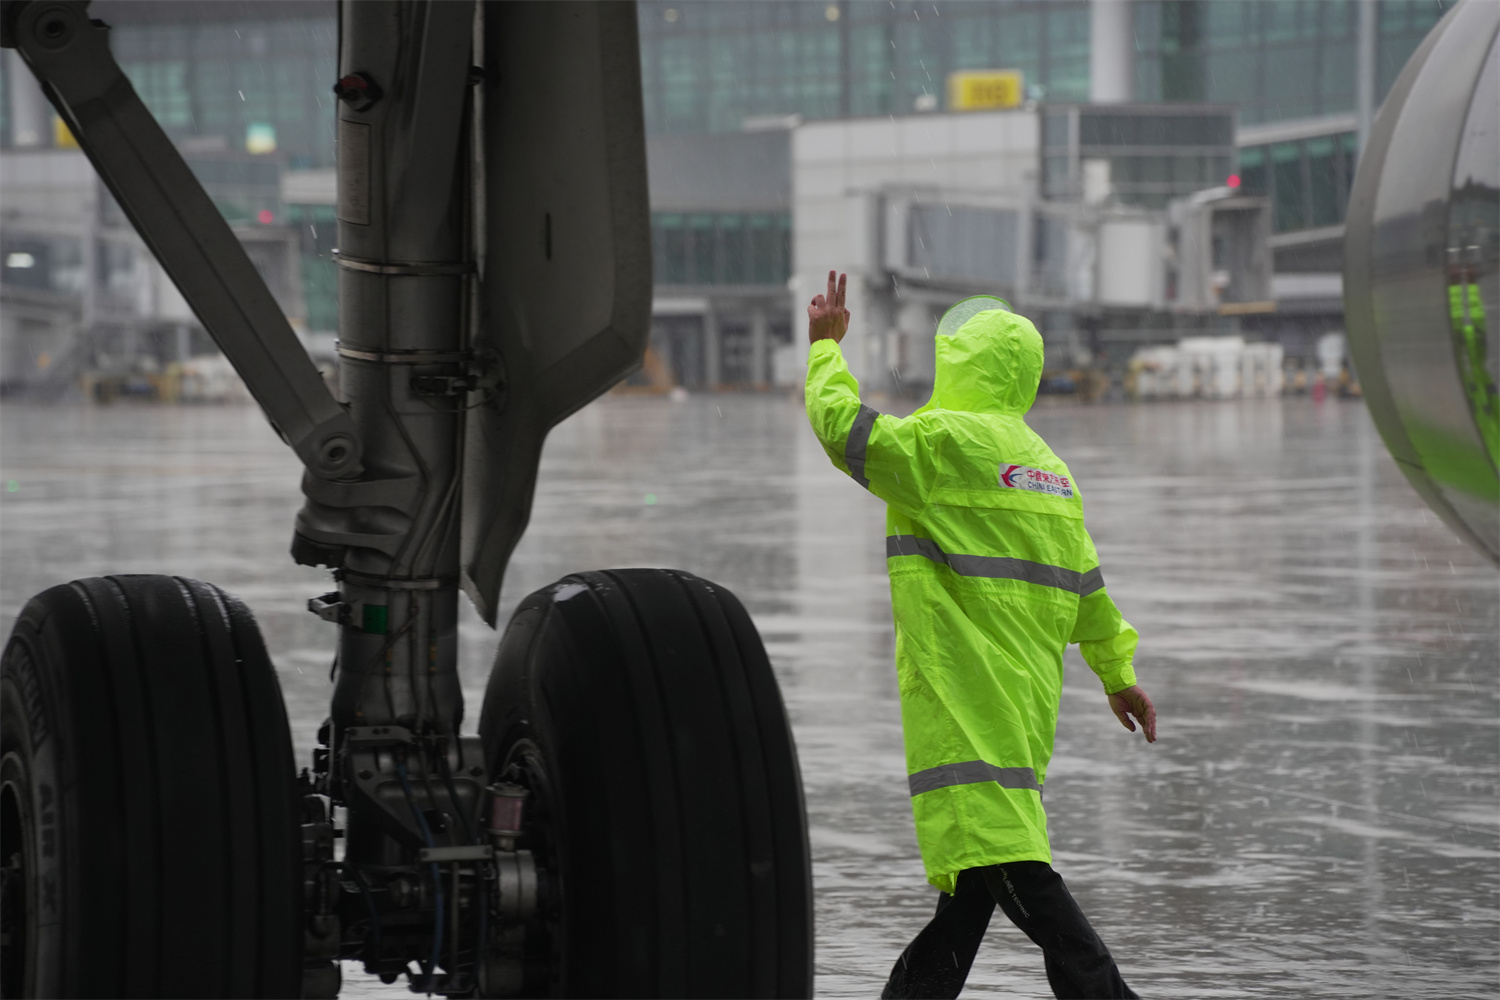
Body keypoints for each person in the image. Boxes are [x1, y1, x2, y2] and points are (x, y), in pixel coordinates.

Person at [802, 271, 1157, 999]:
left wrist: (825, 349)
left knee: (1023, 879)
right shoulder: (1050, 473)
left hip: (963, 702)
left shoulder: (940, 445)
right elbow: (1087, 588)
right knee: (970, 896)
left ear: (955, 360)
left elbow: (844, 430)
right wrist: (1117, 674)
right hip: (1025, 708)